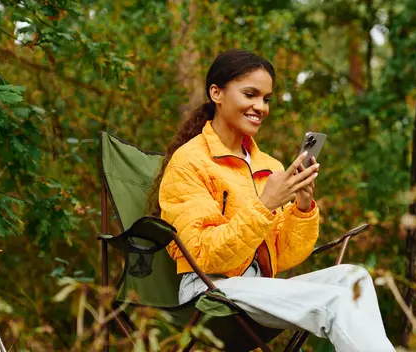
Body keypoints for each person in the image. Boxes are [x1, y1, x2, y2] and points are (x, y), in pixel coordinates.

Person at [149, 49, 395, 352]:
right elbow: (200, 254)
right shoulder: (191, 162)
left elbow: (283, 256)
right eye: (250, 94)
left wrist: (303, 208)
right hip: (210, 291)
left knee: (354, 279)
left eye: (266, 98)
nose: (260, 107)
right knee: (334, 300)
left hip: (257, 288)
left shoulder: (269, 166)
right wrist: (264, 205)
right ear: (217, 93)